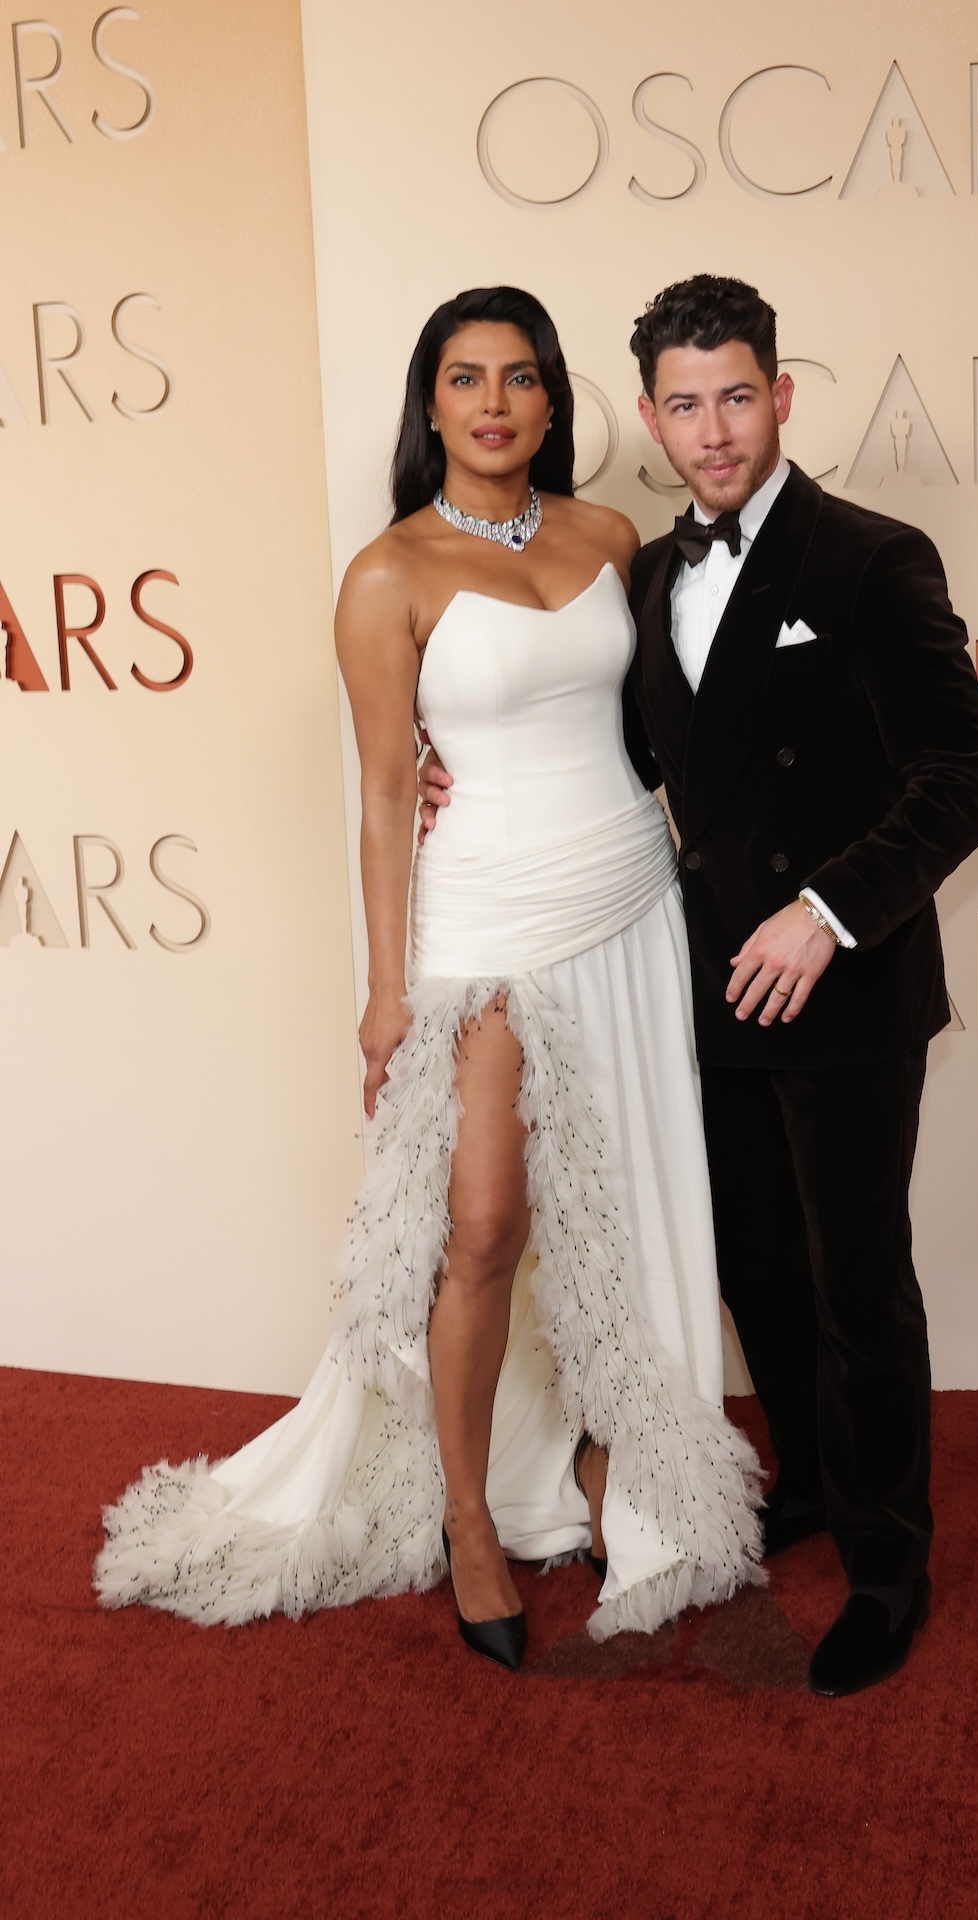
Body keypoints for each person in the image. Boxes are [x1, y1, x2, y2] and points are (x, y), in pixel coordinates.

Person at [95, 286, 763, 1670]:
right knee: (480, 1228)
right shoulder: (386, 574)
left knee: (628, 1201)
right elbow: (390, 791)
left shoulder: (607, 534)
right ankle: (467, 1517)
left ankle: (603, 1467)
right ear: (432, 403)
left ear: (552, 400)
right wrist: (387, 991)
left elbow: (656, 733)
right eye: (468, 379)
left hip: (629, 895)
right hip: (487, 925)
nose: (497, 403)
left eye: (521, 378)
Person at [421, 275, 978, 1698]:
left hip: (842, 982)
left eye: (736, 395)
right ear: (653, 420)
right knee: (760, 1263)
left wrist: (828, 913)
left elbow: (963, 776)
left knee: (860, 1276)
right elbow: (609, 746)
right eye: (684, 405)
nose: (713, 428)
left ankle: (886, 1562)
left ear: (782, 394)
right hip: (699, 980)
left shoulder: (875, 558)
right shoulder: (647, 576)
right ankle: (808, 1474)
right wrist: (464, 774)